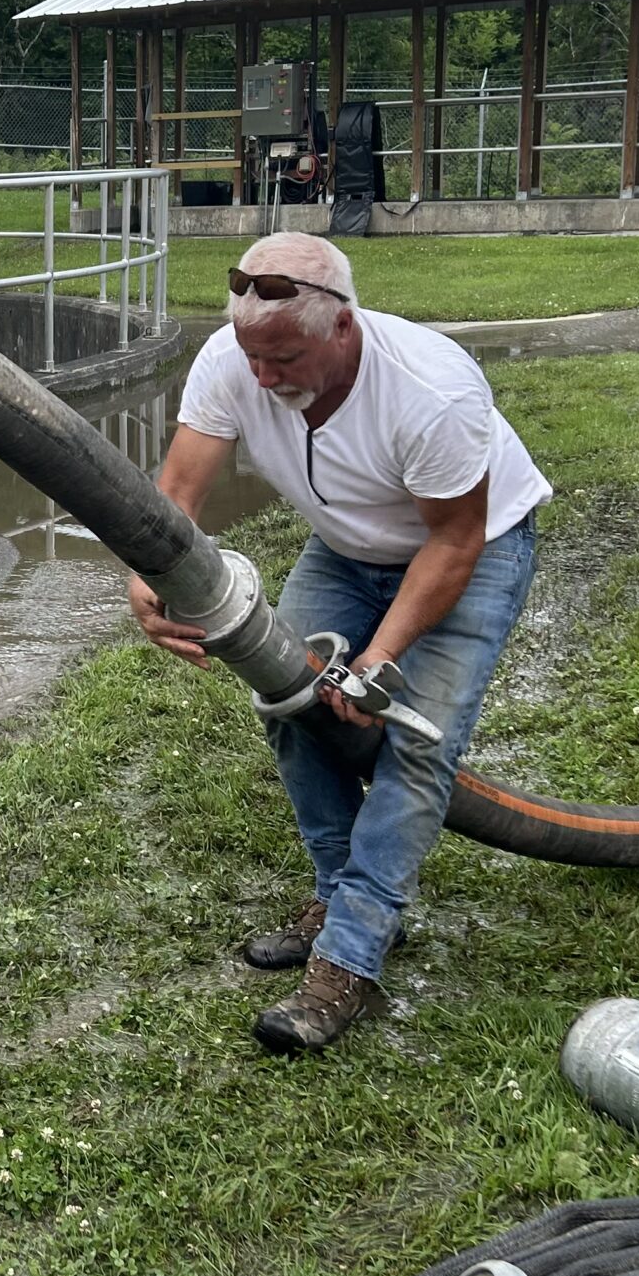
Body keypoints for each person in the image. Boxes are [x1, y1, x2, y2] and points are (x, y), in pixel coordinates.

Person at [127, 233, 550, 1056]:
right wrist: (147, 577)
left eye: (284, 357)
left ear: (343, 328)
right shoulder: (233, 357)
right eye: (253, 356)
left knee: (416, 745)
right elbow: (175, 494)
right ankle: (336, 897)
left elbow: (455, 541)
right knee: (285, 698)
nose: (263, 377)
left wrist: (377, 664)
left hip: (472, 549)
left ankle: (349, 959)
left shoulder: (431, 390)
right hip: (346, 549)